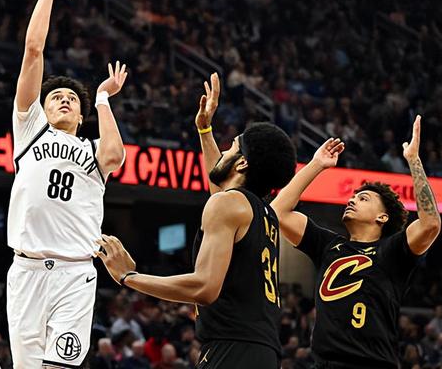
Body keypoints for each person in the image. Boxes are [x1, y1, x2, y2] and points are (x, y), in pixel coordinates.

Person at [97, 73, 297, 368]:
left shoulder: (230, 205)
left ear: (242, 162)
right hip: (262, 351)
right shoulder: (261, 212)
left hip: (232, 351)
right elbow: (221, 189)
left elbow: (204, 287)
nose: (224, 151)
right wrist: (205, 129)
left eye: (232, 147)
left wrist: (130, 277)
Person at [6, 0, 128, 368]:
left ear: (80, 114)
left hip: (75, 273)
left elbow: (116, 157)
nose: (62, 100)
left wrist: (102, 98)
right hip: (26, 271)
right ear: (43, 107)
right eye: (55, 96)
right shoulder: (30, 130)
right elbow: (33, 51)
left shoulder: (92, 150)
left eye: (71, 99)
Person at [271, 115, 442, 368]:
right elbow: (277, 213)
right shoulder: (328, 245)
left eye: (363, 199)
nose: (352, 200)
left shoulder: (392, 251)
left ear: (382, 217)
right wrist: (316, 165)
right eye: (353, 197)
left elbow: (430, 224)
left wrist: (414, 160)